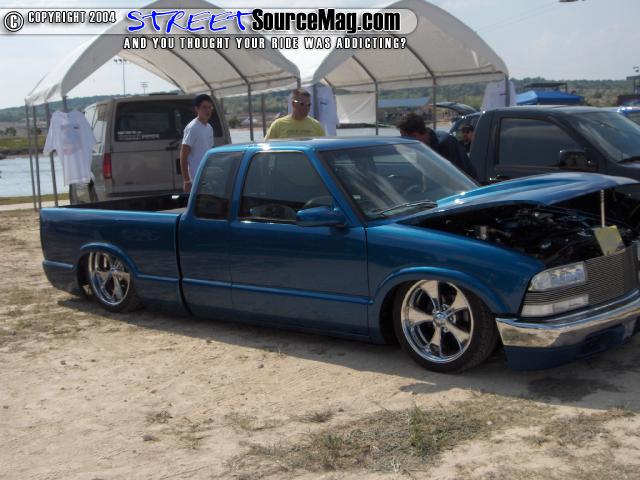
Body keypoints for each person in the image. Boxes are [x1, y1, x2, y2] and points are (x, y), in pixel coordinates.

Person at [396, 113, 477, 178]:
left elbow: (460, 177)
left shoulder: (446, 143)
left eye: (404, 137)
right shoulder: (421, 146)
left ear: (415, 135)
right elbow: (426, 174)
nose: (404, 141)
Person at [180, 94, 215, 193]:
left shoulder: (209, 128)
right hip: (195, 178)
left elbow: (211, 153)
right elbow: (183, 156)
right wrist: (187, 181)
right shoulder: (193, 128)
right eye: (204, 107)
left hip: (207, 177)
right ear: (197, 109)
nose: (208, 110)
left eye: (210, 107)